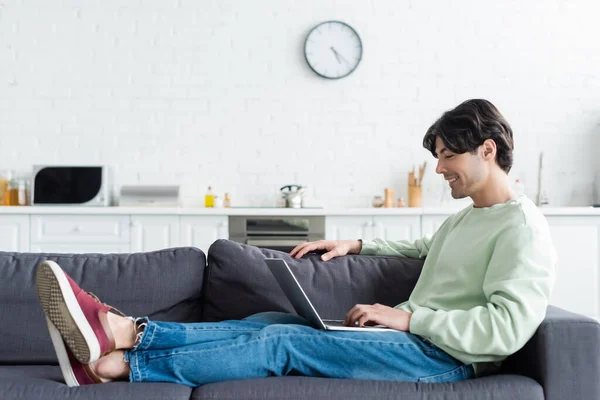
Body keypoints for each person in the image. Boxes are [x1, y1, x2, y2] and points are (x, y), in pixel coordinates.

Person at [36, 99, 556, 387]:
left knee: (284, 346)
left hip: (443, 356)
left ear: (486, 150)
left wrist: (410, 319)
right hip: (415, 340)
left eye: (448, 156)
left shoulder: (523, 228)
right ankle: (130, 331)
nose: (439, 168)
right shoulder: (471, 217)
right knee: (266, 323)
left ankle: (126, 362)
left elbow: (506, 328)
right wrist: (356, 244)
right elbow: (424, 249)